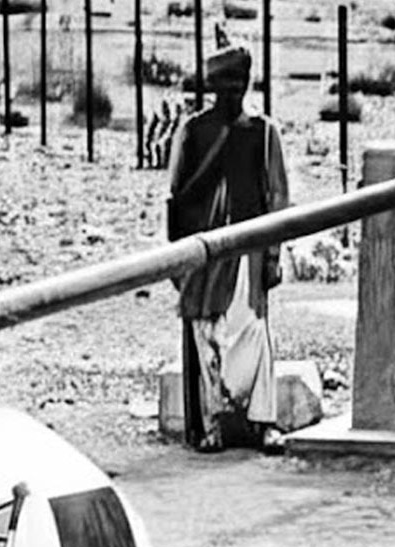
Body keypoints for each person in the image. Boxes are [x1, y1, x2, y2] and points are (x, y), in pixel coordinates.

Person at [167, 30, 289, 452]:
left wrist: (273, 254)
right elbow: (177, 196)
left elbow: (277, 196)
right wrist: (176, 259)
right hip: (203, 254)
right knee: (205, 332)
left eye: (240, 83)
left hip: (248, 253)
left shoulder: (263, 131)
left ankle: (263, 421)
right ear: (213, 85)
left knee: (253, 331)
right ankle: (212, 422)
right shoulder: (194, 131)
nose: (232, 91)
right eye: (225, 83)